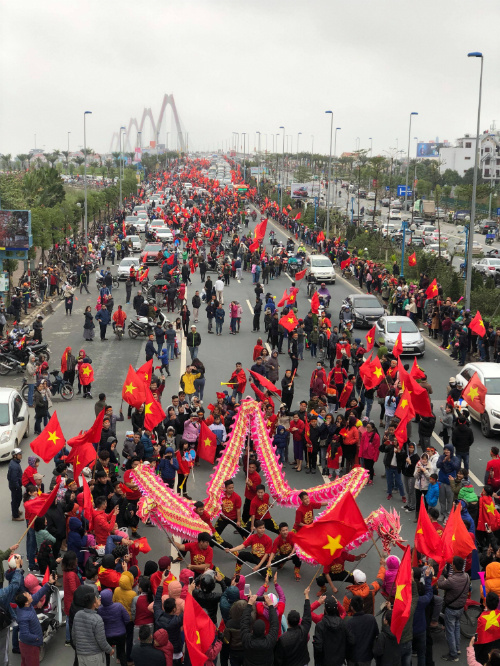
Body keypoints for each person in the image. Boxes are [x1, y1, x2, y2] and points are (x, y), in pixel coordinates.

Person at [16, 572, 56, 665]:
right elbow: (25, 634)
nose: (30, 595)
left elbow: (38, 595)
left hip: (29, 644)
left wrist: (49, 583)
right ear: (26, 602)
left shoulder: (25, 606)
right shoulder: (24, 617)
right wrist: (37, 638)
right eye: (28, 595)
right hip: (30, 646)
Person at [438, 556, 470, 662]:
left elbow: (440, 584)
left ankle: (453, 654)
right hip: (460, 607)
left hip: (451, 608)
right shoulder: (466, 576)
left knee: (450, 631)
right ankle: (457, 648)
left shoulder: (451, 580)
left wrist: (442, 574)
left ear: (454, 566)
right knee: (456, 627)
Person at [73, 590, 115, 665]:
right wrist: (110, 650)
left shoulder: (77, 615)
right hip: (94, 655)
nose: (99, 600)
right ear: (94, 604)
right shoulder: (97, 619)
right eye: (97, 599)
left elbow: (74, 635)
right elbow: (101, 640)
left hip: (80, 655)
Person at [274, 586, 312, 666]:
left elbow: (279, 658)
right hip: (303, 663)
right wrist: (306, 596)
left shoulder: (283, 639)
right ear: (299, 621)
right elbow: (307, 615)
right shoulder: (304, 630)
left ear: (287, 621)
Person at [240, 594, 279, 666]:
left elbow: (244, 622)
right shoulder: (269, 641)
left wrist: (249, 604)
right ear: (265, 632)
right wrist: (271, 605)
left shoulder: (247, 639)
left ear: (252, 631)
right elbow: (275, 624)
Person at [313, 596, 351, 666]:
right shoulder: (343, 623)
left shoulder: (320, 624)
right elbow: (344, 612)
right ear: (336, 608)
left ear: (325, 609)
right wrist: (338, 603)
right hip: (339, 660)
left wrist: (318, 602)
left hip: (325, 661)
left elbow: (318, 647)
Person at [8, 448, 23, 521]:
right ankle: (15, 516)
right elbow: (14, 478)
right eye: (19, 454)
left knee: (18, 498)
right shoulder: (14, 466)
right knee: (16, 500)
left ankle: (16, 510)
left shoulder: (15, 463)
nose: (21, 456)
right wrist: (18, 486)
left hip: (15, 485)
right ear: (15, 456)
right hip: (15, 486)